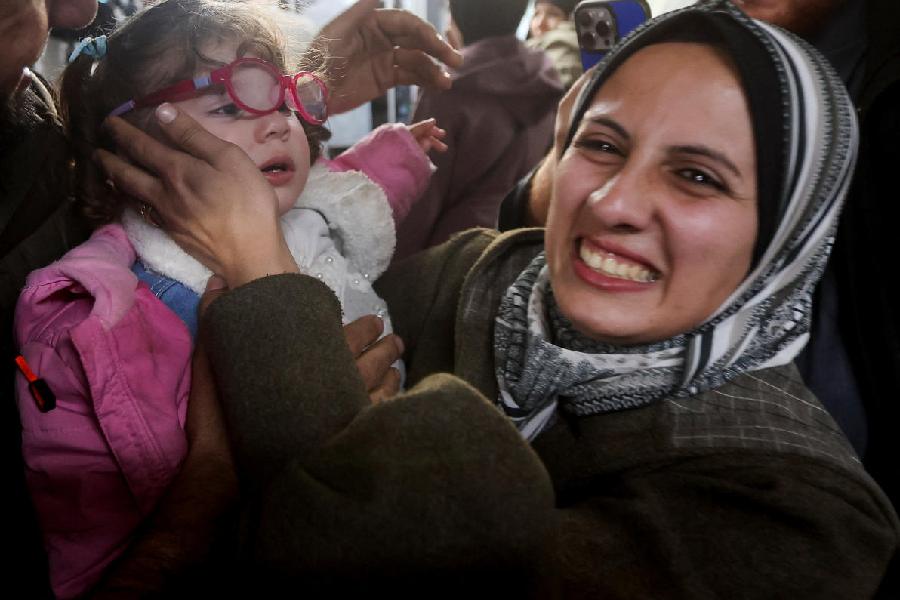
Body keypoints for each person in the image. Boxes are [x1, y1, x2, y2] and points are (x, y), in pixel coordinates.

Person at [99, 0, 899, 595]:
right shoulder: (479, 278)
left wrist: (260, 267)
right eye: (601, 144)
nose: (614, 202)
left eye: (696, 176)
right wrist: (283, 105)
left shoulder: (797, 517)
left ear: (791, 231)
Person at [2, 0, 461, 595]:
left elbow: (354, 189)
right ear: (131, 151)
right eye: (227, 105)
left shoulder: (313, 212)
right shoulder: (90, 322)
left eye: (286, 102)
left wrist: (402, 151)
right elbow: (85, 541)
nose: (279, 125)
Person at [394, 0, 563, 261]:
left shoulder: (447, 87)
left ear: (457, 15)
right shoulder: (545, 76)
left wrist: (395, 268)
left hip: (452, 255)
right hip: (519, 248)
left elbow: (422, 195)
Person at [527, 0, 583, 89]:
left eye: (552, 14)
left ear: (570, 19)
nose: (540, 23)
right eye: (536, 14)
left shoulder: (562, 41)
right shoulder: (531, 46)